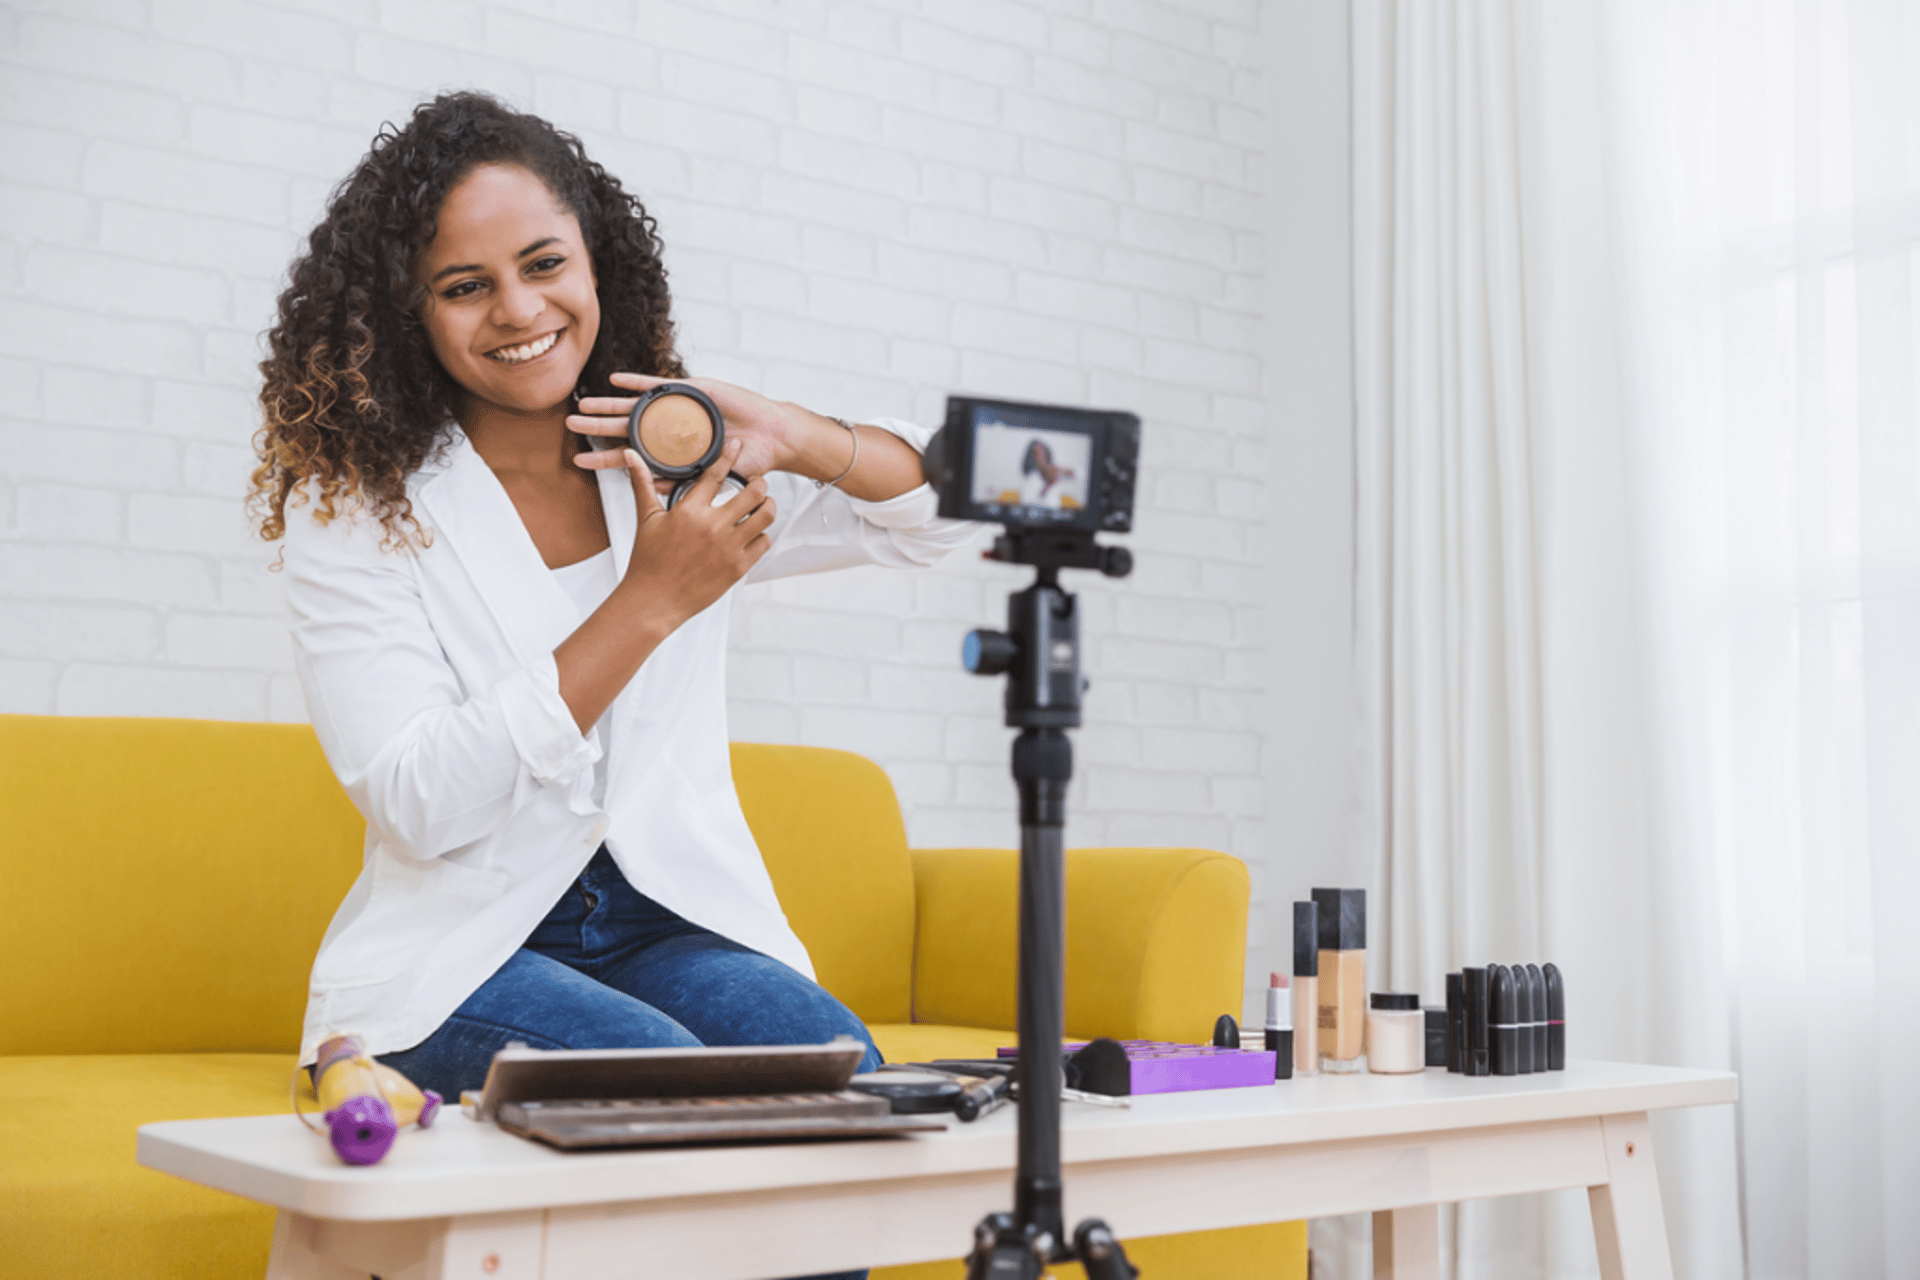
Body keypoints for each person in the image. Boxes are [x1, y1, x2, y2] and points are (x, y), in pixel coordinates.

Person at [250, 90, 974, 1143]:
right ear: (411, 312)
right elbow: (416, 798)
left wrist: (791, 430)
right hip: (468, 950)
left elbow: (935, 517)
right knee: (669, 1086)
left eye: (544, 264)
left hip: (669, 920)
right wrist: (647, 601)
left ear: (595, 261)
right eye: (465, 286)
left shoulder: (673, 453)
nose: (518, 309)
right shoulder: (360, 510)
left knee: (847, 1087)